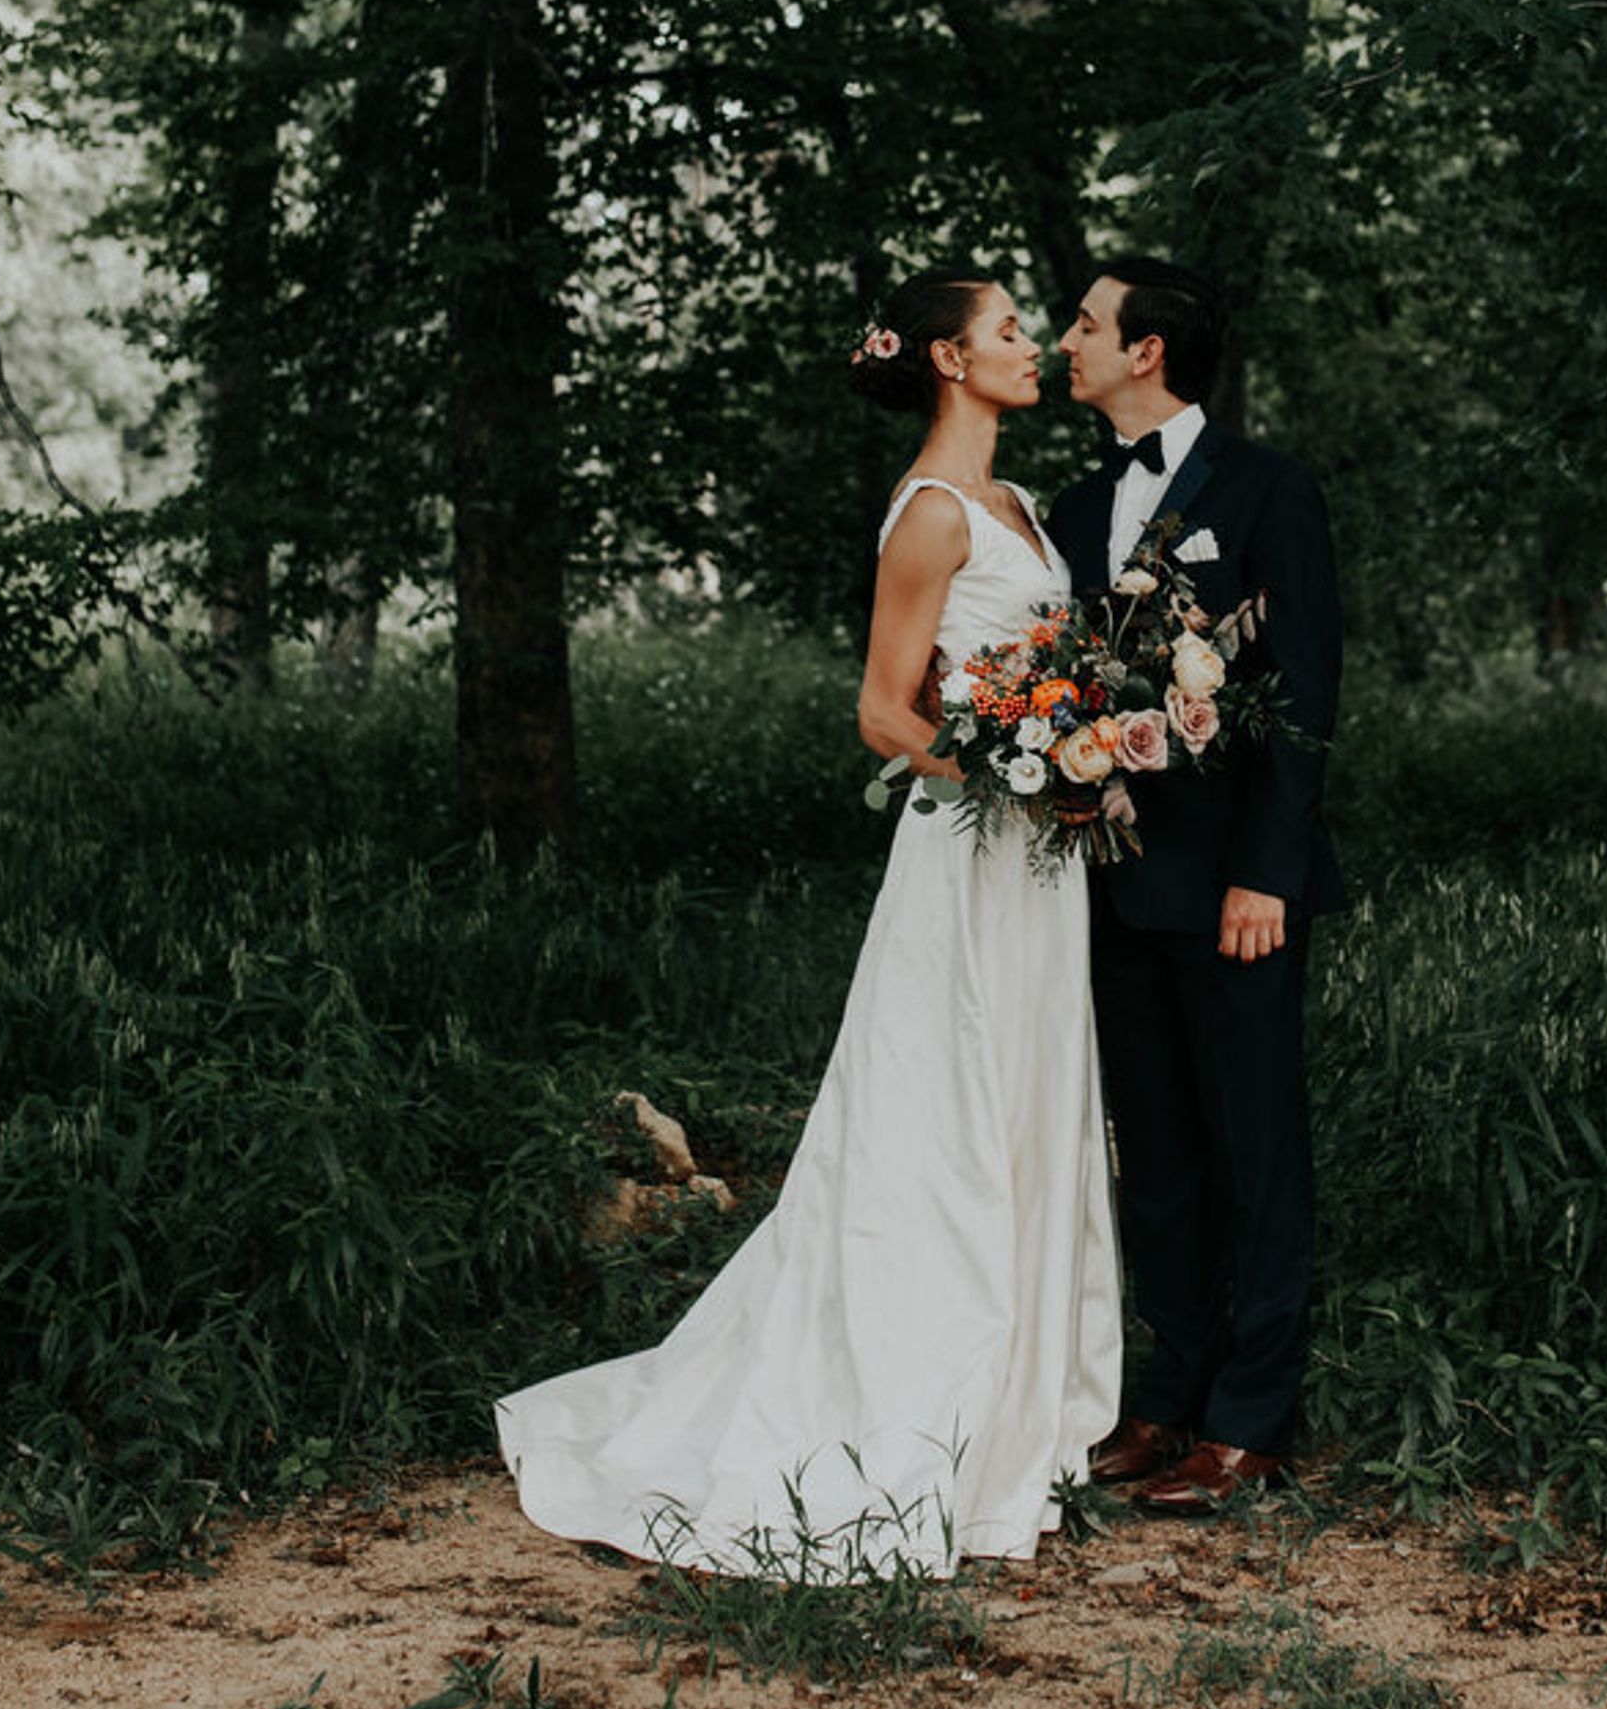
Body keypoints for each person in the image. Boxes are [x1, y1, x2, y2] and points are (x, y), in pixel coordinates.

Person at [496, 273, 1120, 1578]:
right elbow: (885, 712)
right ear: (950, 358)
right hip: (970, 852)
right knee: (943, 1114)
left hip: (1043, 864)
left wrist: (1075, 753)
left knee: (1028, 1101)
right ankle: (917, 1403)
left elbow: (1035, 673)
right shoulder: (934, 512)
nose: (1033, 346)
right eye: (1010, 331)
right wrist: (1011, 766)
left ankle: (1018, 1408)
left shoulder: (1019, 503)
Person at [1051, 259, 1343, 1515]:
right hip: (1113, 883)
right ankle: (1166, 1398)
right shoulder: (1073, 509)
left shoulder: (1269, 489)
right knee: (1156, 1153)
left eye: (1085, 324)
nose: (1066, 341)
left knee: (1255, 1151)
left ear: (1149, 350)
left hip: (1235, 892)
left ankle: (1251, 1421)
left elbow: (1305, 692)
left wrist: (1265, 873)